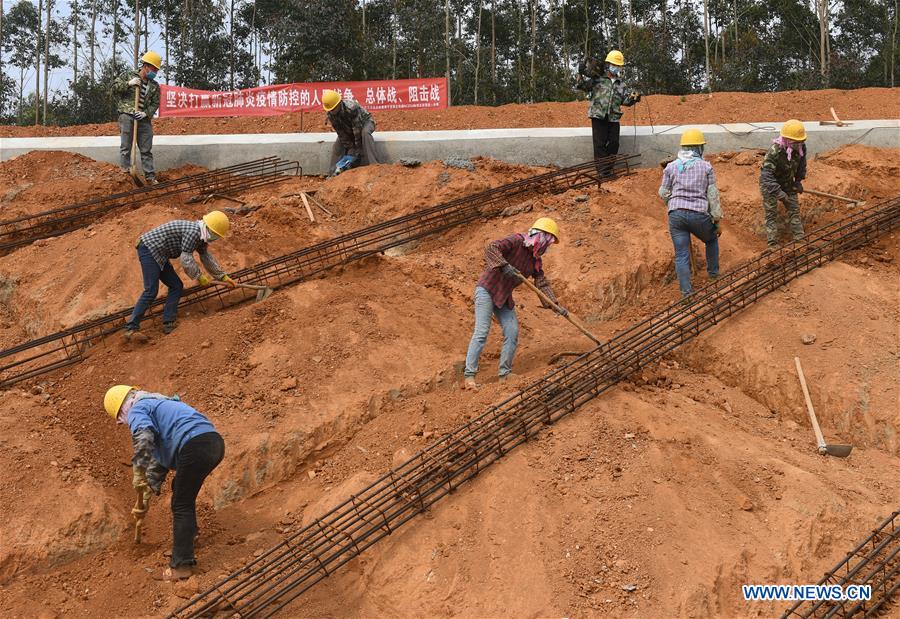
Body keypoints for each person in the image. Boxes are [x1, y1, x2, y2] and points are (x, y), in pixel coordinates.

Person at [103, 385, 225, 581]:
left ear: (123, 408)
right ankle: (188, 538)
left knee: (181, 504)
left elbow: (144, 438)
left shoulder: (137, 408)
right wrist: (148, 485)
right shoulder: (160, 402)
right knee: (181, 489)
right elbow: (162, 458)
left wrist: (139, 470)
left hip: (194, 445)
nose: (120, 423)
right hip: (213, 443)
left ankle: (181, 566)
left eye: (118, 416)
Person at [463, 218, 567, 389]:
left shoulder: (535, 261)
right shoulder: (517, 240)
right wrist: (504, 265)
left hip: (504, 296)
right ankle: (469, 377)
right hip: (487, 289)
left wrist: (556, 305)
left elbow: (542, 284)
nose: (547, 246)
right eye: (548, 241)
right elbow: (491, 247)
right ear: (541, 236)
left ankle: (505, 373)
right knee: (481, 332)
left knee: (512, 333)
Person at [124, 211, 236, 340]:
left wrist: (222, 277)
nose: (216, 239)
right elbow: (186, 259)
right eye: (216, 235)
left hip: (161, 254)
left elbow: (206, 257)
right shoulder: (194, 232)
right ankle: (131, 328)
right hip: (149, 249)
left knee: (176, 286)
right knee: (151, 291)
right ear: (210, 230)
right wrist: (198, 276)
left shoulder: (201, 236)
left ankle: (168, 322)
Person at [659, 128, 723, 298]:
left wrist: (672, 204)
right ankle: (714, 275)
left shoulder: (671, 167)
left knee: (681, 255)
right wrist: (717, 221)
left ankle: (686, 294)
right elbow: (712, 196)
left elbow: (663, 192)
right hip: (698, 214)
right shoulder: (706, 167)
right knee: (711, 239)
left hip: (676, 216)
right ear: (698, 148)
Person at [575, 50, 641, 166]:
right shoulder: (598, 79)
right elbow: (582, 86)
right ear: (608, 64)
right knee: (599, 145)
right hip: (598, 115)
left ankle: (608, 169)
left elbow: (623, 101)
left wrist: (633, 98)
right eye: (614, 65)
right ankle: (603, 173)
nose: (616, 67)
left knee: (614, 143)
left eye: (618, 66)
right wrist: (579, 73)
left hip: (613, 117)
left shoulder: (620, 84)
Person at [113, 51, 162, 184]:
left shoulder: (154, 86)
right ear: (145, 66)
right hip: (127, 114)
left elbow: (155, 103)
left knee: (146, 149)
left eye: (156, 70)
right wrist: (128, 83)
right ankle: (125, 172)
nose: (155, 72)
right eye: (154, 69)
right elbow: (114, 88)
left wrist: (146, 113)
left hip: (143, 119)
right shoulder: (128, 75)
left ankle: (150, 177)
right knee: (126, 146)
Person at [760, 119, 807, 247]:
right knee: (771, 214)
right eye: (796, 142)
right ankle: (773, 244)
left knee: (794, 210)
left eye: (801, 142)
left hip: (787, 182)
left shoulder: (801, 147)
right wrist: (777, 191)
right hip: (770, 185)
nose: (799, 145)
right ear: (787, 140)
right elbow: (766, 175)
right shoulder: (775, 151)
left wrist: (798, 181)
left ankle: (800, 239)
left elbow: (801, 165)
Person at [322, 89, 382, 175]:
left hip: (365, 122)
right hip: (348, 127)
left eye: (334, 108)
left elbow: (357, 130)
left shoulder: (351, 108)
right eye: (331, 109)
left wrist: (356, 150)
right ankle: (333, 172)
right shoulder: (331, 114)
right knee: (337, 145)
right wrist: (350, 147)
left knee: (365, 134)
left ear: (339, 103)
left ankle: (374, 165)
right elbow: (341, 133)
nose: (332, 111)